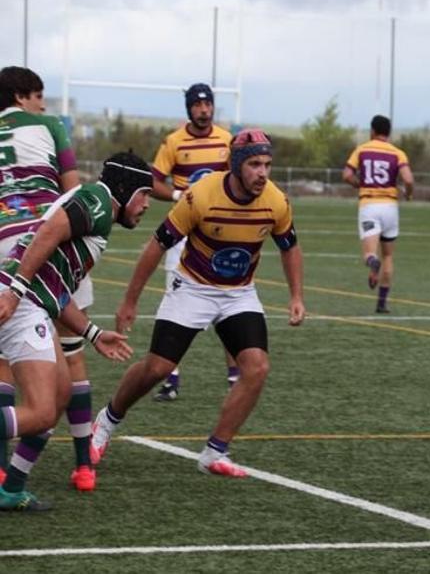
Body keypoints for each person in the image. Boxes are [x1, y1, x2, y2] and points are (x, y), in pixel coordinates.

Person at [91, 129, 305, 478]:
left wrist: (296, 295)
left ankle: (215, 451)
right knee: (157, 369)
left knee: (257, 367)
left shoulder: (276, 201)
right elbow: (156, 245)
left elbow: (290, 246)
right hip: (192, 288)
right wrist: (130, 301)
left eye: (267, 164)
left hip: (239, 294)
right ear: (236, 165)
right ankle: (108, 418)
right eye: (254, 164)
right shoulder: (201, 195)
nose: (262, 173)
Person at [0, 152, 149, 510]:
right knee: (41, 412)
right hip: (23, 302)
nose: (146, 204)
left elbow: (59, 291)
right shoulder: (98, 201)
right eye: (144, 194)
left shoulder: (99, 213)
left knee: (62, 394)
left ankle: (11, 489)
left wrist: (94, 334)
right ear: (126, 189)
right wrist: (17, 290)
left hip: (34, 300)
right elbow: (50, 231)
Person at [0, 66, 102, 493]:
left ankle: (7, 475)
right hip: (45, 242)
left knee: (5, 362)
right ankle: (83, 466)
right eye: (39, 95)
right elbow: (71, 192)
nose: (44, 103)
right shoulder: (48, 125)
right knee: (72, 356)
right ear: (23, 96)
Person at [148, 83, 235, 402]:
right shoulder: (174, 141)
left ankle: (235, 376)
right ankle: (171, 378)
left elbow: (237, 177)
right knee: (176, 302)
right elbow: (153, 180)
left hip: (220, 232)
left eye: (208, 103)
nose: (203, 109)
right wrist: (176, 194)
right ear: (189, 109)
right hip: (182, 230)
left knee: (228, 299)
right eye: (197, 105)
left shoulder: (226, 140)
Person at [342, 115, 414, 313]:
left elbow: (347, 174)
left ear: (372, 130)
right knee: (389, 256)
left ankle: (373, 263)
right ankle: (382, 303)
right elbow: (408, 179)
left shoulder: (362, 149)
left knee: (370, 253)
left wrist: (360, 184)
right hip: (390, 207)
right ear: (388, 132)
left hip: (370, 206)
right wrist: (408, 194)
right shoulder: (398, 153)